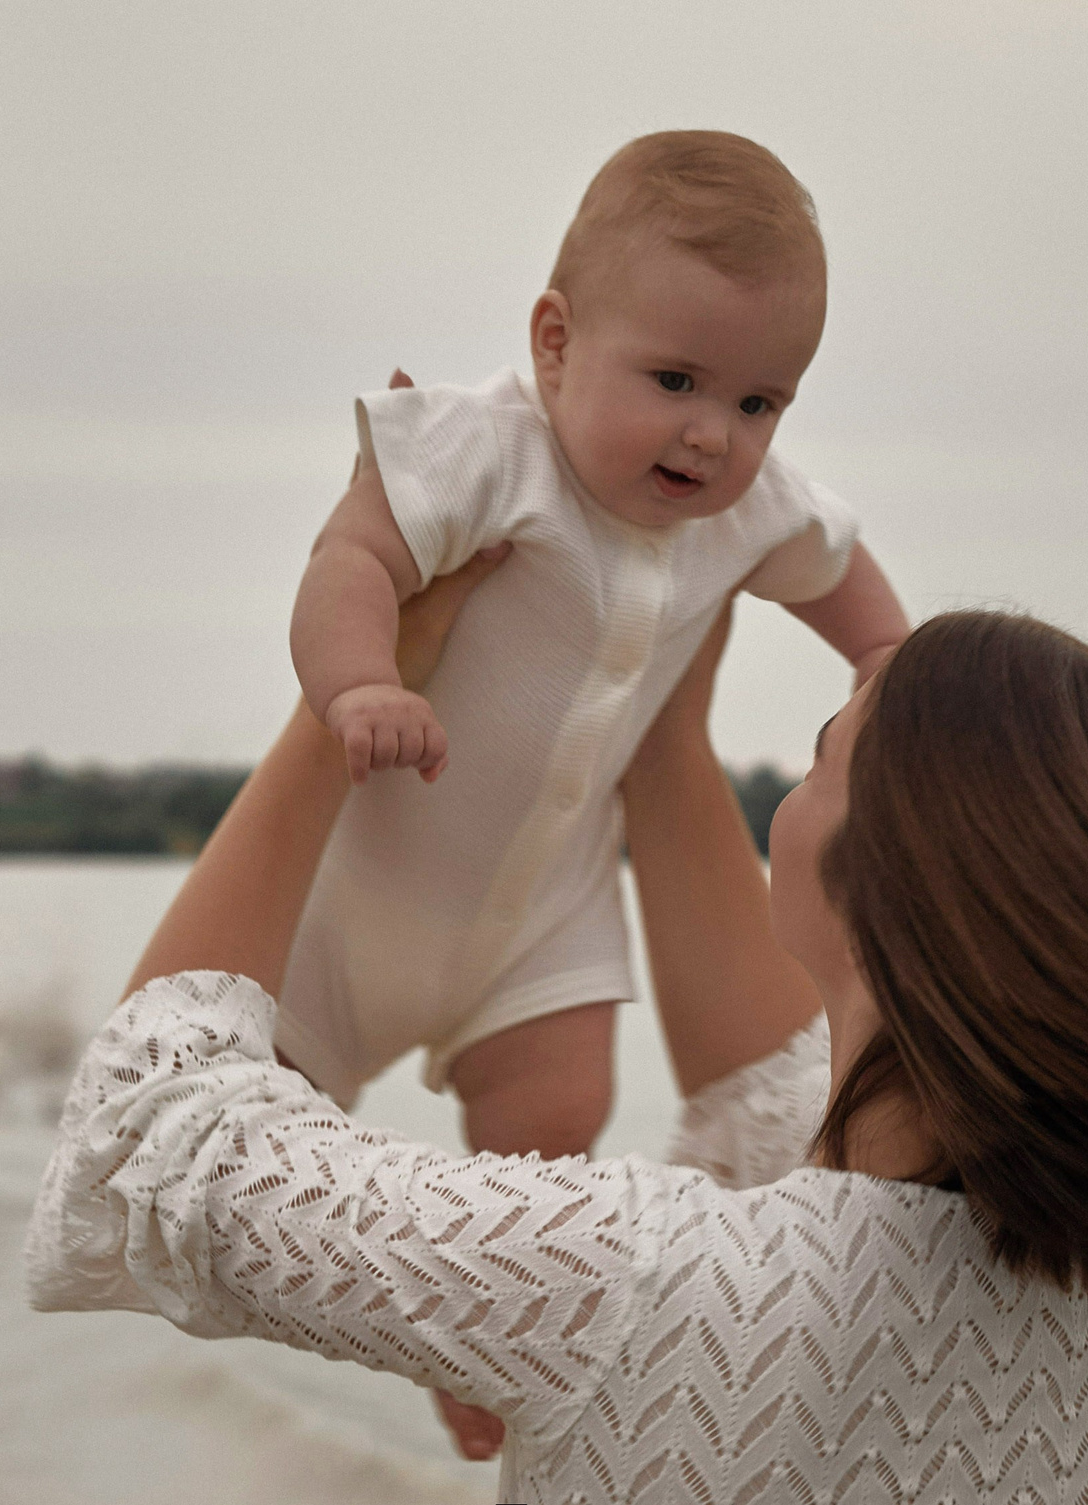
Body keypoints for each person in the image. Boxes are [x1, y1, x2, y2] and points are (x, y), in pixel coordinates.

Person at [25, 558, 1088, 1501]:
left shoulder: (634, 1281)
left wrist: (348, 706)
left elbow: (156, 1131)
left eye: (821, 751)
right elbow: (774, 1085)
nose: (780, 791)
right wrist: (663, 680)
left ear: (888, 885)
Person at [279, 130, 907, 1174]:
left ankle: (489, 1306)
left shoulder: (750, 509)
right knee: (255, 1126)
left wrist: (887, 660)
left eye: (758, 402)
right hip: (354, 897)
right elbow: (351, 552)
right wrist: (359, 685)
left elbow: (839, 569)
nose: (713, 434)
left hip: (548, 914)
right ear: (555, 342)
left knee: (560, 1119)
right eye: (675, 380)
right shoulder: (486, 449)